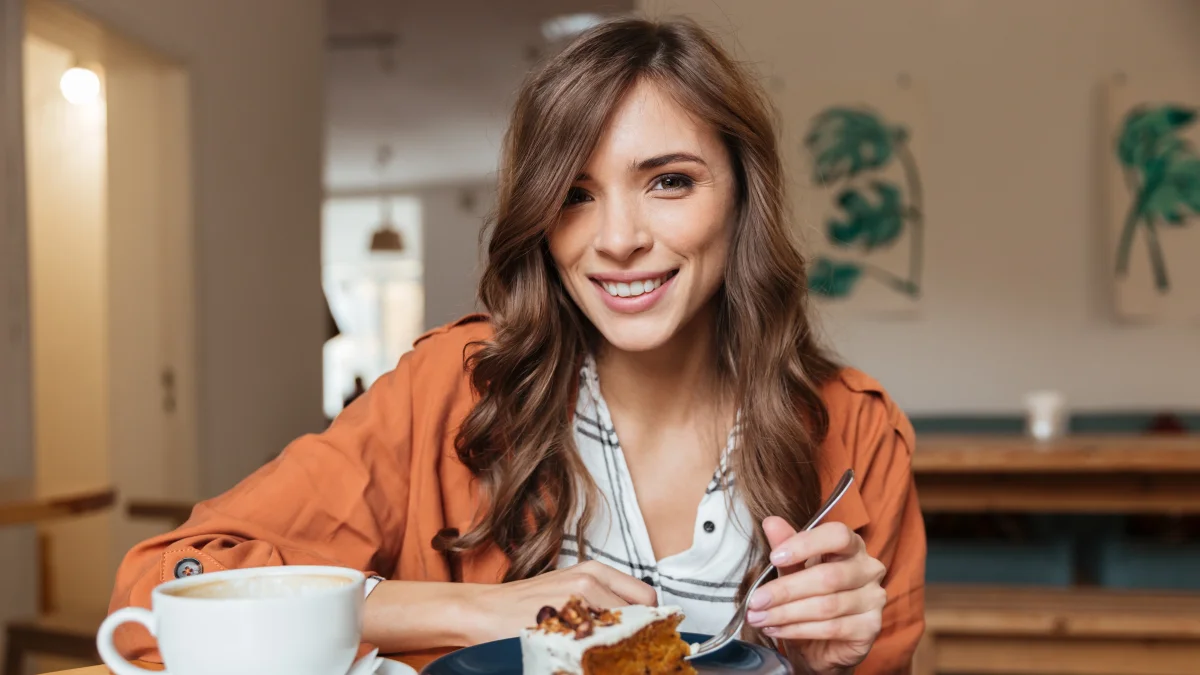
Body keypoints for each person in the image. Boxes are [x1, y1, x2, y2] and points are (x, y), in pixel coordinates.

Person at [109, 17, 924, 674]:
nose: (617, 239)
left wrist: (831, 667)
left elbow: (886, 655)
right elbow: (167, 588)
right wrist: (474, 609)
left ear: (742, 195)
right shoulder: (453, 389)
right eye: (574, 194)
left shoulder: (856, 431)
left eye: (669, 180)